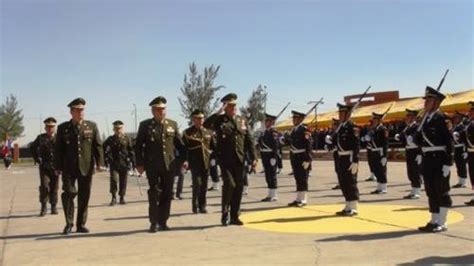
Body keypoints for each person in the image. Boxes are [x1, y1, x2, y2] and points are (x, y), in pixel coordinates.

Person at [203, 93, 257, 226]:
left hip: (240, 159)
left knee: (238, 187)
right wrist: (217, 112)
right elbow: (206, 124)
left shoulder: (242, 120)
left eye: (234, 105)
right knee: (230, 185)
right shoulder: (219, 120)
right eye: (230, 106)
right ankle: (224, 213)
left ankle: (235, 215)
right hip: (225, 160)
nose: (233, 108)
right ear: (225, 107)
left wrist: (254, 157)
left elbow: (249, 140)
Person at [135, 96, 187, 233]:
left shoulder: (172, 124)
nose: (161, 111)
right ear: (153, 111)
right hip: (152, 165)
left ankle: (163, 221)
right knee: (154, 193)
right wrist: (139, 163)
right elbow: (138, 145)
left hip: (169, 165)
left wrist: (184, 160)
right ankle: (154, 222)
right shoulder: (145, 125)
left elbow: (180, 145)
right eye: (158, 109)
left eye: (163, 109)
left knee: (167, 193)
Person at [55, 97, 104, 234]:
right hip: (68, 168)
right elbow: (58, 149)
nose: (81, 112)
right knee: (69, 193)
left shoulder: (91, 126)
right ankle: (69, 223)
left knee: (84, 195)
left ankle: (81, 224)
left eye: (82, 110)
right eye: (78, 110)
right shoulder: (63, 128)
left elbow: (97, 145)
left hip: (86, 167)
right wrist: (57, 167)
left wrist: (100, 163)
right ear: (71, 112)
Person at [416, 87, 453, 233]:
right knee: (430, 190)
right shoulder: (425, 119)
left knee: (441, 189)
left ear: (437, 102)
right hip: (427, 159)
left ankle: (442, 222)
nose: (426, 103)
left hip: (439, 159)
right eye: (426, 100)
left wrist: (448, 163)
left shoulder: (442, 119)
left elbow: (449, 143)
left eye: (429, 100)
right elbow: (421, 140)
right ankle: (434, 219)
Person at [182, 109, 215, 213]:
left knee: (204, 185)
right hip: (194, 162)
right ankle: (195, 206)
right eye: (198, 118)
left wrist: (214, 158)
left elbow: (214, 146)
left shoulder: (208, 132)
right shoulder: (188, 132)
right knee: (197, 184)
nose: (200, 120)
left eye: (202, 118)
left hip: (206, 162)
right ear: (193, 119)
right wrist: (185, 160)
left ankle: (202, 206)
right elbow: (184, 148)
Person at [331, 104, 360, 216]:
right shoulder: (341, 127)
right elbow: (337, 142)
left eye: (342, 113)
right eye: (339, 113)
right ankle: (348, 205)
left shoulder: (353, 127)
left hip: (349, 157)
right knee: (343, 182)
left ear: (348, 114)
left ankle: (354, 207)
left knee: (350, 182)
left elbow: (356, 145)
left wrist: (355, 161)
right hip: (340, 157)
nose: (340, 115)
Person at [280, 110, 312, 207]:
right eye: (293, 118)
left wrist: (308, 159)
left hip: (302, 156)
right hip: (294, 156)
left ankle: (303, 199)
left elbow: (308, 145)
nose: (294, 120)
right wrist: (284, 140)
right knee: (297, 177)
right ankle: (298, 198)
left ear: (301, 119)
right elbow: (290, 142)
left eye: (296, 118)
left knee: (303, 178)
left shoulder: (304, 130)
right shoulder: (293, 130)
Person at [31, 117, 60, 216]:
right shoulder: (40, 138)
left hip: (56, 167)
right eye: (48, 126)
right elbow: (32, 147)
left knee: (54, 187)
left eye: (52, 126)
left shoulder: (59, 138)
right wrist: (37, 158)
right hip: (44, 166)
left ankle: (53, 206)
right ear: (45, 127)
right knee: (44, 186)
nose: (49, 128)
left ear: (55, 127)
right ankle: (43, 207)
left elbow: (63, 151)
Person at [103, 120, 135, 206]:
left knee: (123, 180)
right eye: (116, 128)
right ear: (113, 129)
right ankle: (113, 197)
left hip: (124, 162)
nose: (118, 130)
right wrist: (106, 158)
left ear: (122, 128)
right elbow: (102, 148)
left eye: (119, 128)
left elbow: (131, 150)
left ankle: (122, 197)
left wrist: (133, 162)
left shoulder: (127, 138)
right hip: (114, 162)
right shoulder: (110, 139)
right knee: (113, 180)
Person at [395, 109, 423, 199]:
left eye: (410, 116)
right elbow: (404, 139)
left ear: (414, 117)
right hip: (409, 150)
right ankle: (413, 190)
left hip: (415, 150)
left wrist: (420, 153)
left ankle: (417, 191)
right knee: (410, 171)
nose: (408, 118)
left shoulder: (417, 127)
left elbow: (421, 140)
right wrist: (399, 137)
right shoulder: (407, 127)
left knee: (416, 171)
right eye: (408, 116)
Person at [258, 113, 280, 202]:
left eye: (268, 121)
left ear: (272, 122)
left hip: (271, 156)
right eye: (266, 121)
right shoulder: (265, 132)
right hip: (265, 156)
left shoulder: (273, 132)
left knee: (272, 175)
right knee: (268, 175)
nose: (266, 122)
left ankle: (274, 194)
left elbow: (275, 145)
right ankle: (270, 194)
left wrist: (274, 157)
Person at [365, 112, 389, 194]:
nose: (373, 120)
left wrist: (384, 156)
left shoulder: (383, 129)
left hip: (380, 151)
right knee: (375, 169)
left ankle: (384, 187)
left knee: (381, 170)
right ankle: (379, 187)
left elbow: (385, 143)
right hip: (373, 151)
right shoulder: (373, 129)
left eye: (375, 119)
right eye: (373, 119)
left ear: (379, 120)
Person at [451, 111, 469, 188]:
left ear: (460, 119)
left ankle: (463, 181)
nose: (455, 119)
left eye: (457, 118)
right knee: (458, 164)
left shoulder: (462, 127)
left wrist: (465, 151)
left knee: (462, 165)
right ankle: (460, 181)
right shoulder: (455, 127)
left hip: (461, 147)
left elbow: (465, 140)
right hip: (456, 148)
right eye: (454, 118)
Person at [463, 101, 474, 206]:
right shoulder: (469, 123)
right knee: (472, 174)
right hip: (471, 152)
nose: (470, 113)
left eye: (472, 111)